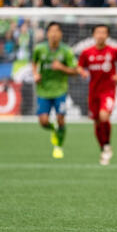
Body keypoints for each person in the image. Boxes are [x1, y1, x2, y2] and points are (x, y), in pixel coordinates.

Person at [77, 24, 117, 165]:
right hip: (93, 91)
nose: (100, 35)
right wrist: (82, 72)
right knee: (97, 121)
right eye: (98, 32)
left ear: (107, 35)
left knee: (104, 116)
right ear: (93, 35)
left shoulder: (113, 51)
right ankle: (103, 147)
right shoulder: (87, 52)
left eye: (103, 32)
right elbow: (80, 66)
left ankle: (107, 144)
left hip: (108, 90)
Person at [32, 21, 78, 159]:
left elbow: (74, 71)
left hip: (60, 90)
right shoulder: (39, 49)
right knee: (43, 121)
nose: (54, 34)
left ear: (61, 34)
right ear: (47, 34)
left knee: (61, 119)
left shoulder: (66, 51)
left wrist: (61, 68)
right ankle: (53, 129)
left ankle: (58, 147)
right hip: (43, 90)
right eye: (51, 31)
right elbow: (34, 63)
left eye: (56, 31)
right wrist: (35, 74)